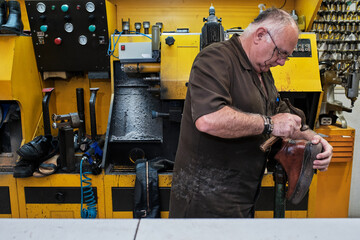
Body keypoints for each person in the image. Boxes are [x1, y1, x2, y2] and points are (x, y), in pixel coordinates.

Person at [169, 8, 333, 218]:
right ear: (260, 35)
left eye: (286, 56)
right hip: (204, 204)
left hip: (242, 199)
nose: (282, 61)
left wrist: (315, 140)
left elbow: (279, 113)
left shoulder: (263, 72)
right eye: (280, 52)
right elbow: (208, 119)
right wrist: (270, 124)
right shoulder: (215, 59)